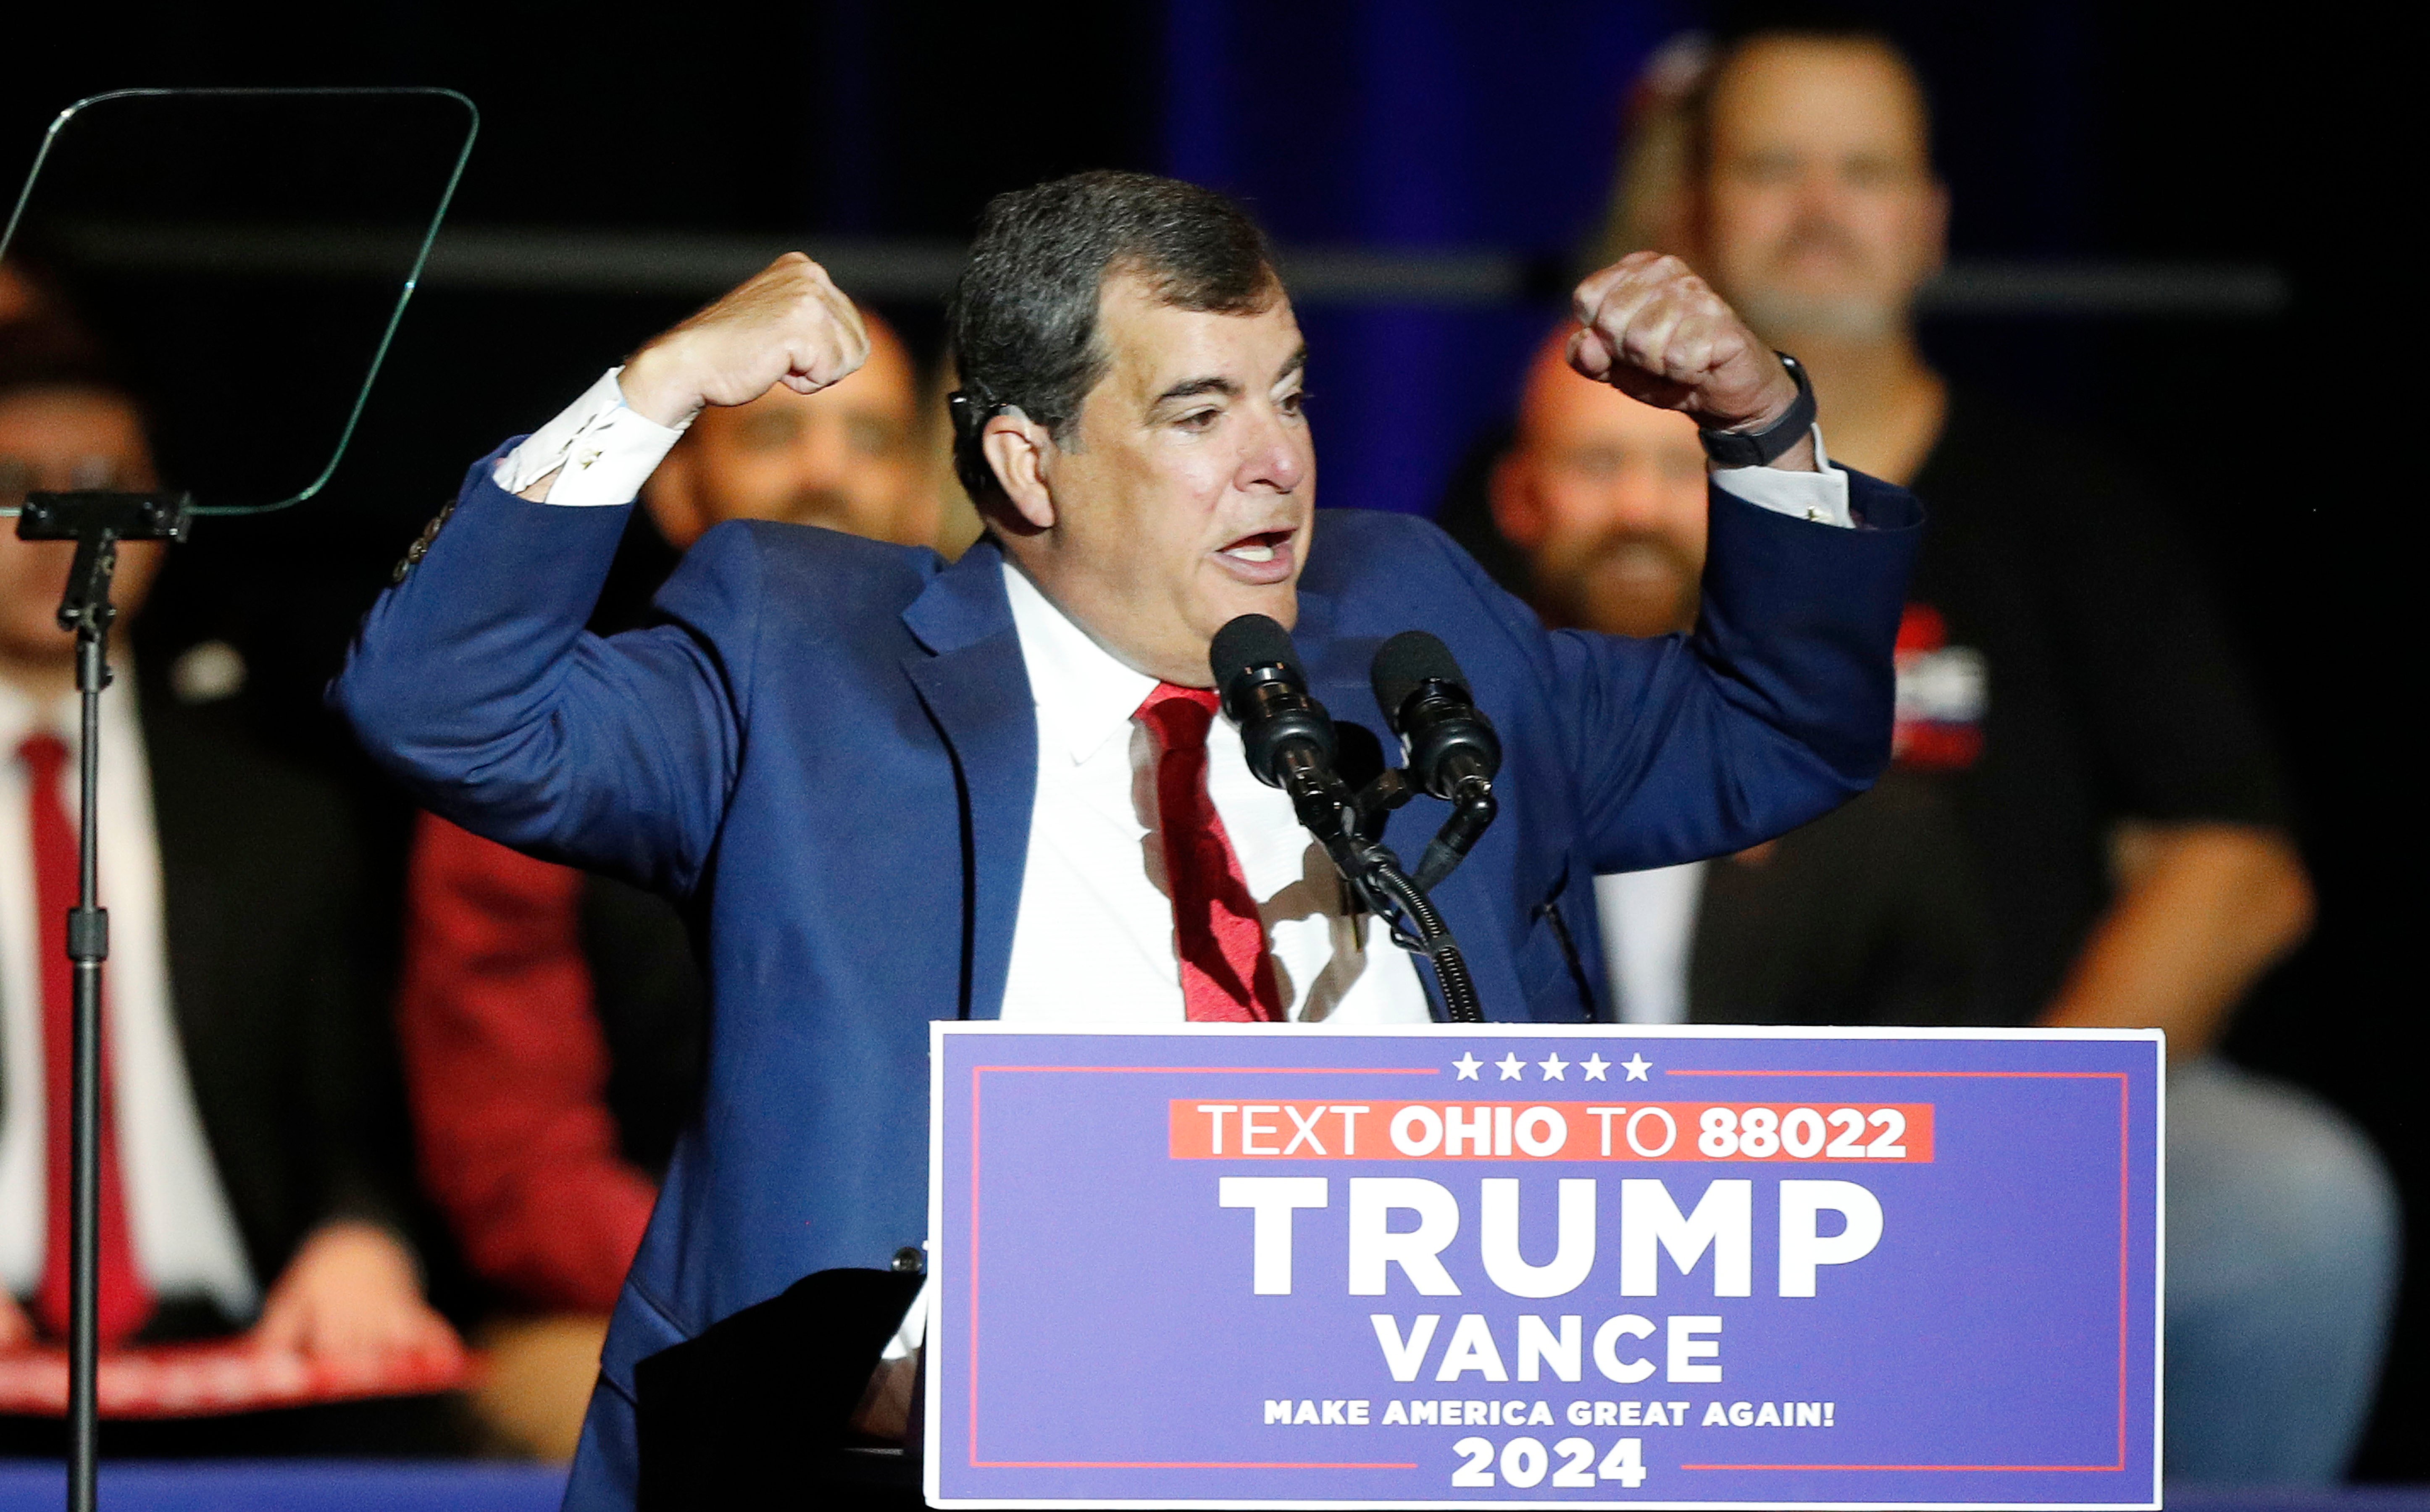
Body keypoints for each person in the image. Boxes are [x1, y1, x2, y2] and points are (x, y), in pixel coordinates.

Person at [334, 169, 1919, 1508]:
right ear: (1029, 461)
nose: (1276, 461)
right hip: (925, 1466)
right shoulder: (804, 663)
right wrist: (656, 388)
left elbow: (1788, 729)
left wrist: (1759, 424)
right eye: (1199, 410)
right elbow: (438, 709)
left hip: (1394, 1446)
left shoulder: (1422, 625)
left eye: (1291, 395)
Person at [1488, 22, 2391, 1484]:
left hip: (1989, 1098)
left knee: (2288, 1203)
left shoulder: (2066, 509)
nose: (1823, 209)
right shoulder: (1562, 489)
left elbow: (2235, 866)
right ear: (1692, 208)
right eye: (1774, 167)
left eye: (1866, 171)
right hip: (1603, 1125)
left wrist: (2013, 1137)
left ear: (1929, 219)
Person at [397, 307, 945, 1461]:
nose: (826, 474)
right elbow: (519, 1167)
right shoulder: (564, 748)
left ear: (922, 491)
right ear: (678, 490)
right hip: (656, 1291)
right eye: (775, 437)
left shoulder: (1003, 736)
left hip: (966, 1303)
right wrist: (802, 1294)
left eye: (871, 439)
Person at [0, 334, 462, 1451]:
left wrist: (364, 1232)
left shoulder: (278, 815)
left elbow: (362, 1100)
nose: (76, 530)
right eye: (19, 490)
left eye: (112, 490)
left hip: (244, 1334)